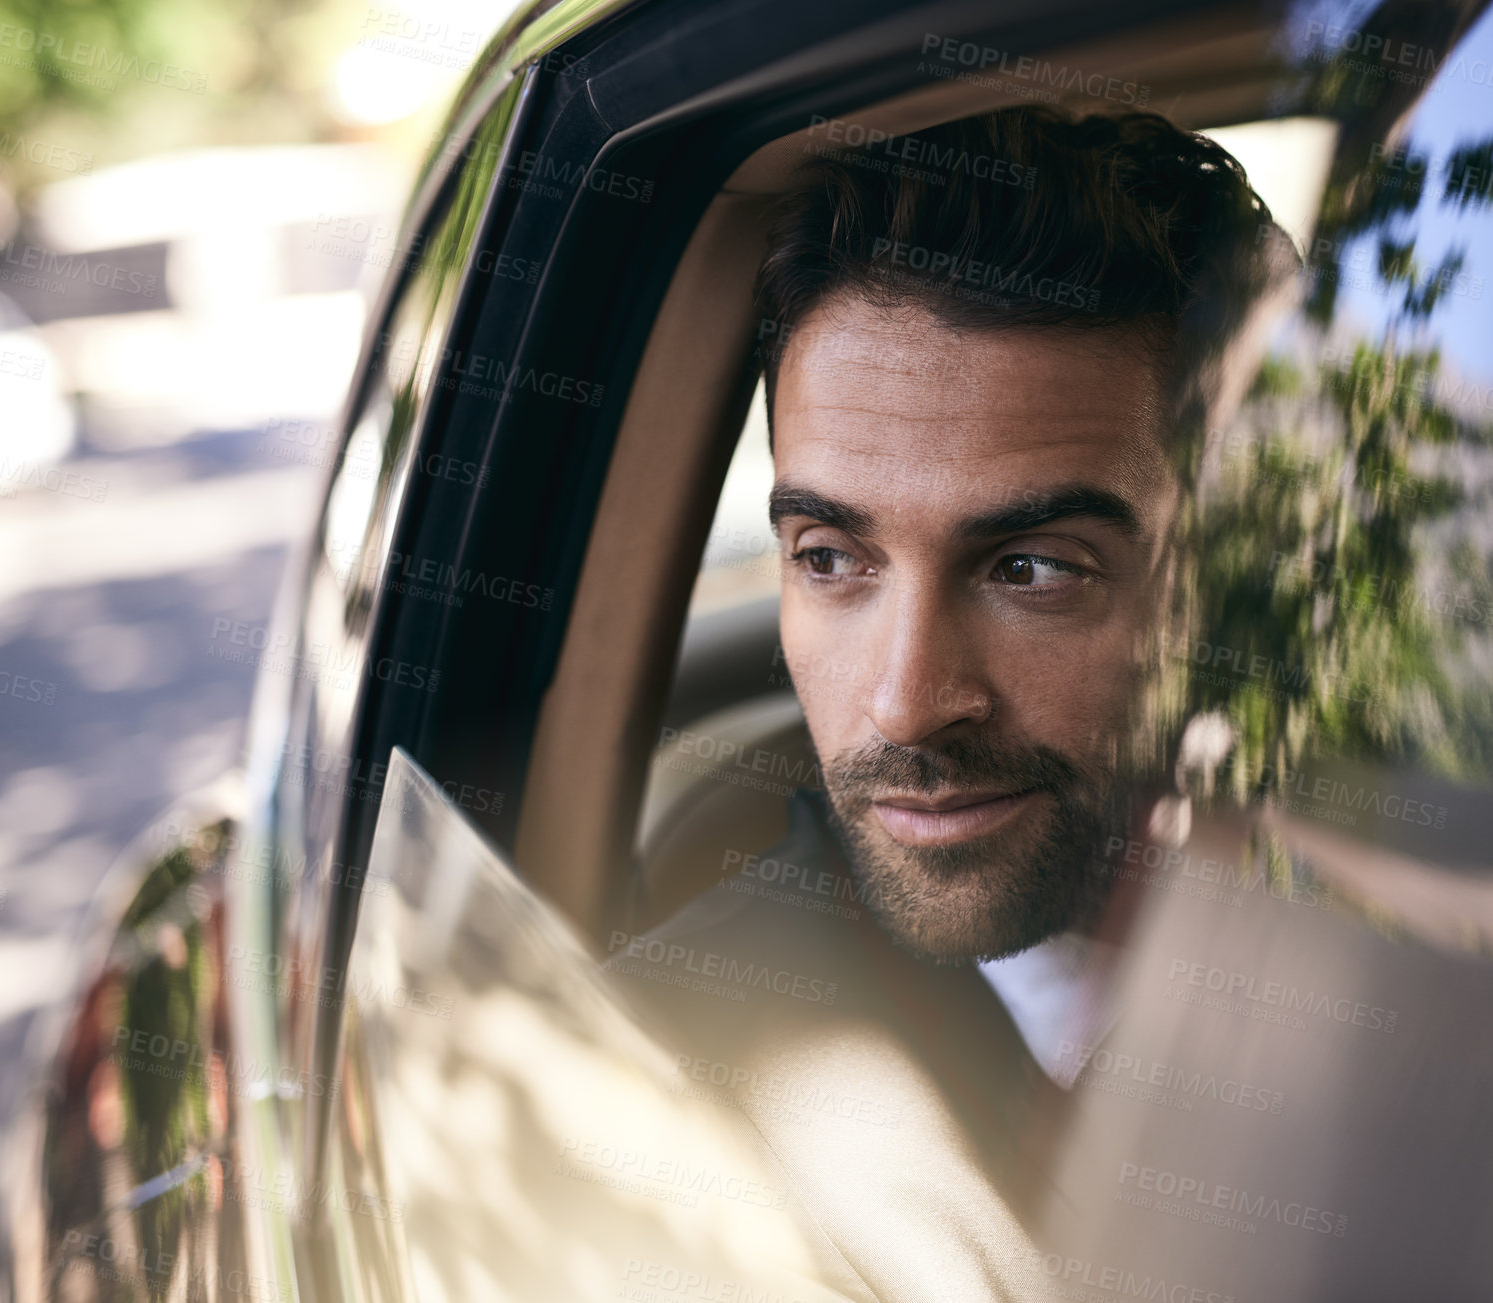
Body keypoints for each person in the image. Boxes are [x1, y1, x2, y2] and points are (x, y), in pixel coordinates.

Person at [607, 107, 1493, 1301]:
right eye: (829, 556)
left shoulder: (1427, 930)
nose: (907, 703)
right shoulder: (655, 1082)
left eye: (1033, 567)